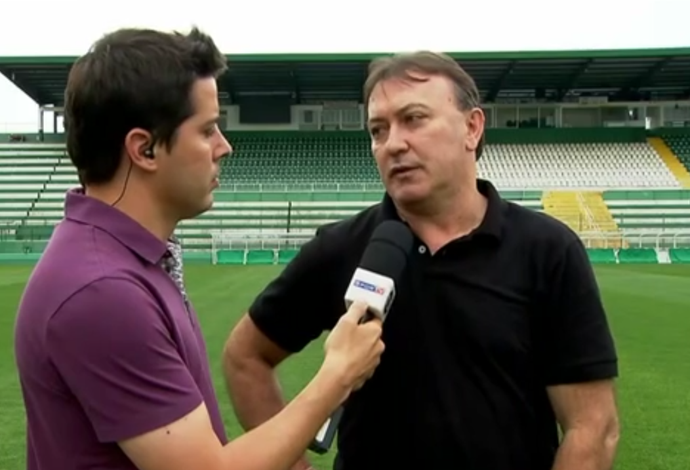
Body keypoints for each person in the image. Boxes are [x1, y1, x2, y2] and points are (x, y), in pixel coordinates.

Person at [222, 51, 621, 470]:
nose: (393, 143)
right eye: (378, 130)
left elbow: (592, 426)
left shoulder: (547, 250)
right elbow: (245, 357)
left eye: (414, 119)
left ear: (472, 127)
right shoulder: (340, 248)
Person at [13, 27, 386, 470]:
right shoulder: (102, 291)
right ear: (145, 149)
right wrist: (336, 375)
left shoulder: (127, 260)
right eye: (207, 130)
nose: (224, 147)